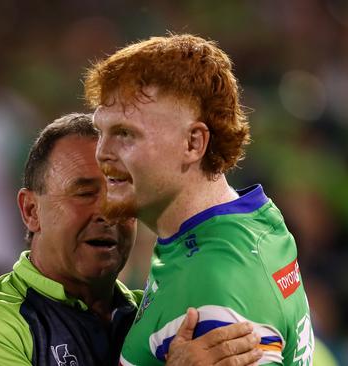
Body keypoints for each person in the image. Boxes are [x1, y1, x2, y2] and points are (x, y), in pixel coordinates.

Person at [0, 113, 264, 365]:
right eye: (85, 192)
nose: (108, 211)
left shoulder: (157, 318)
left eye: (122, 192)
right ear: (31, 210)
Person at [85, 34, 315, 365]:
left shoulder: (217, 289)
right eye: (100, 132)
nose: (102, 154)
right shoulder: (247, 223)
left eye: (125, 134)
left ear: (193, 143)